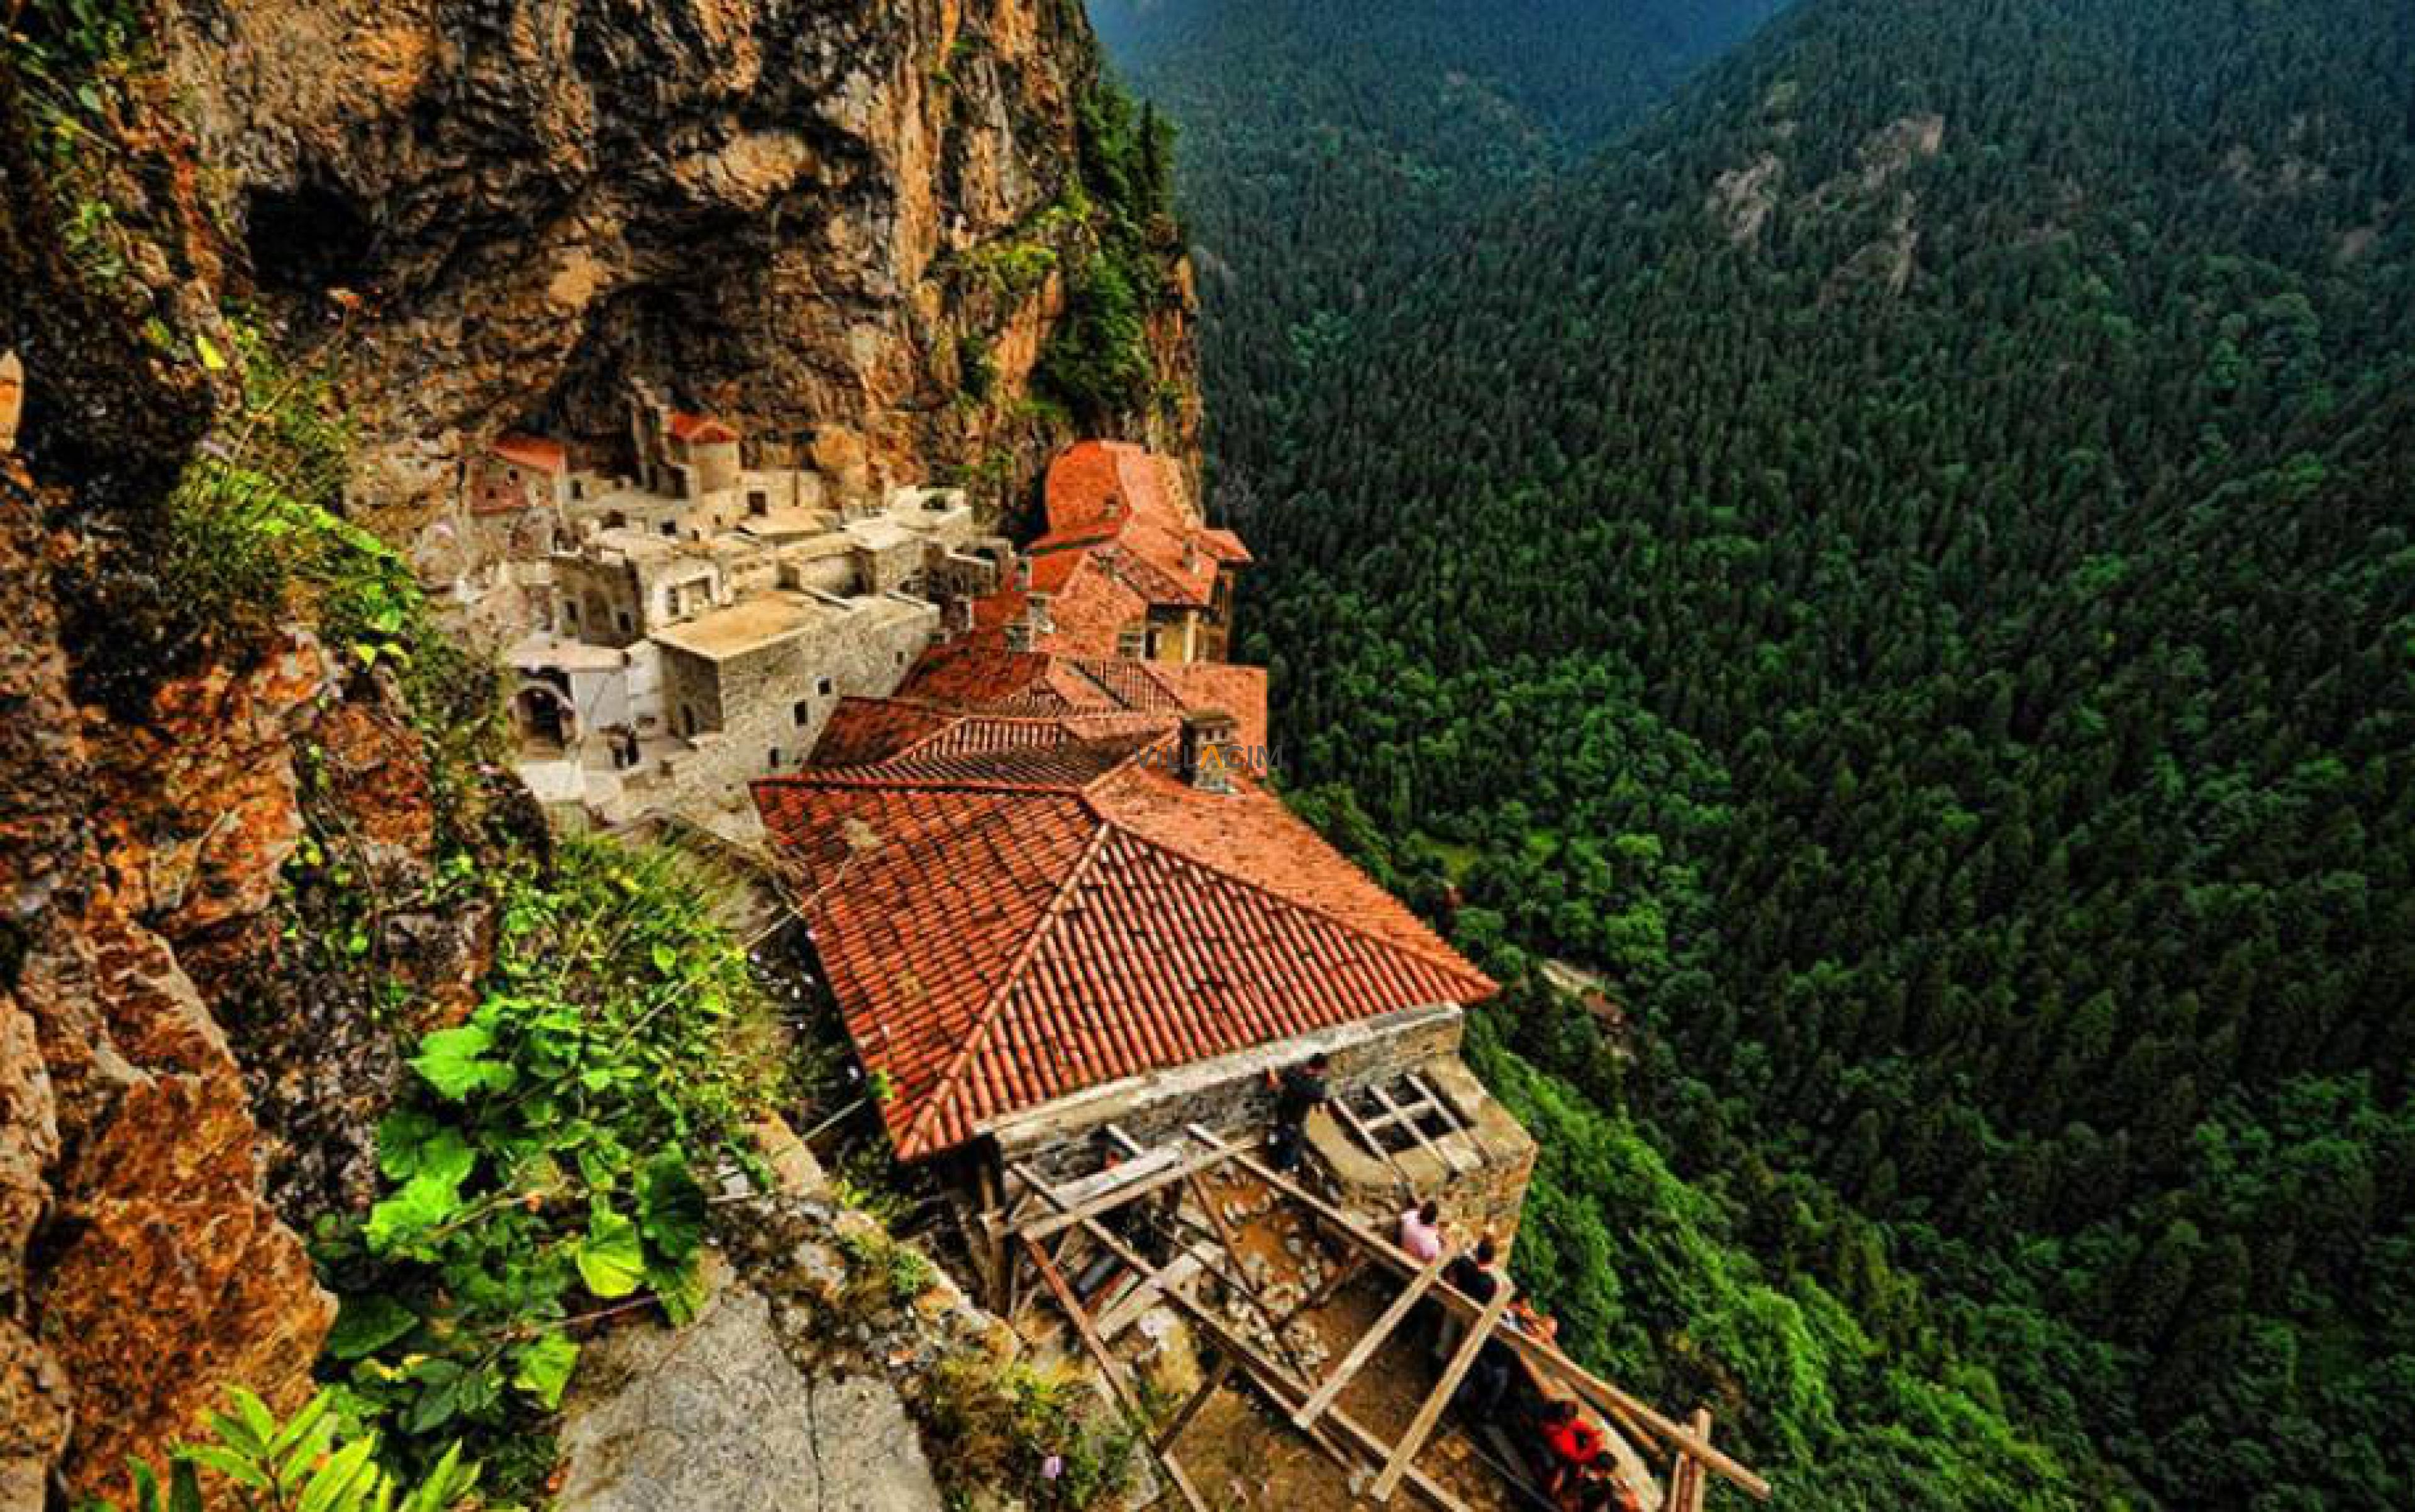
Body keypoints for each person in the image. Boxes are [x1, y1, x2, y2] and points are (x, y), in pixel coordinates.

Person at [1267, 1053, 1330, 1172]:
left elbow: (1273, 1083)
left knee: (1284, 1134)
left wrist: (1270, 1066)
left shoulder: (1293, 1074)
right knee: (1296, 1145)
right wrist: (1321, 1088)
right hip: (1296, 1121)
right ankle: (1283, 1167)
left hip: (1281, 1114)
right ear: (1321, 1070)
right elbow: (1321, 1110)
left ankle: (1275, 1140)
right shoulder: (1317, 1089)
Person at [1399, 1198, 1446, 1262]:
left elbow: (1401, 1219)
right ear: (1433, 1221)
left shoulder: (1410, 1215)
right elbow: (1437, 1259)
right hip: (1413, 1265)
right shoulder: (1431, 1242)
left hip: (1402, 1250)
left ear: (1421, 1211)